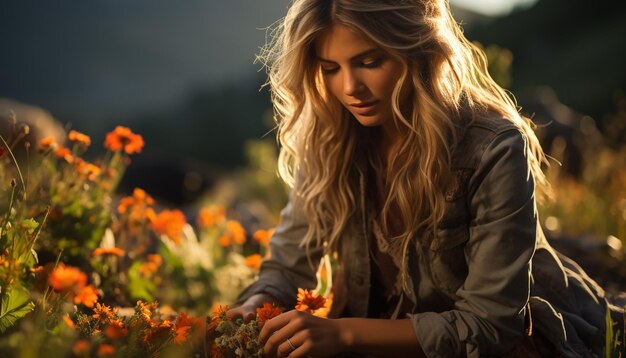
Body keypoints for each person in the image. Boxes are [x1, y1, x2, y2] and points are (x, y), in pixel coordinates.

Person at [229, 0, 625, 357]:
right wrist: (257, 302)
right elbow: (287, 265)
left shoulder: (493, 146)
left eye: (369, 62)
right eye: (331, 69)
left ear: (418, 50)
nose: (350, 88)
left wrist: (345, 335)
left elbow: (491, 324)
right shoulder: (331, 140)